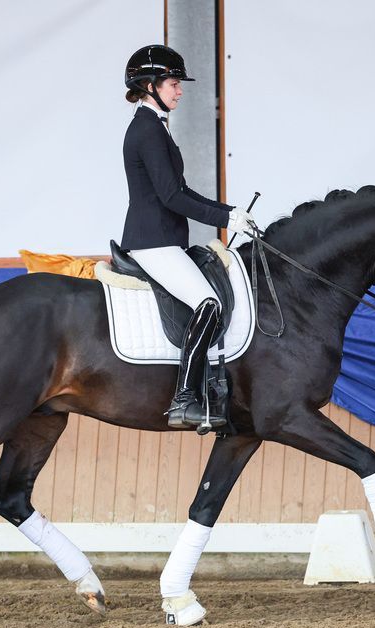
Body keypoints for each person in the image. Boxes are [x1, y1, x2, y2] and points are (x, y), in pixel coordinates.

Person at [120, 44, 253, 428]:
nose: (179, 91)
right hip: (152, 241)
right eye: (174, 83)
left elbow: (182, 189)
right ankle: (184, 399)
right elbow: (172, 197)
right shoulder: (147, 130)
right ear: (149, 85)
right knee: (209, 303)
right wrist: (226, 219)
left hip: (162, 239)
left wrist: (229, 214)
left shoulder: (154, 126)